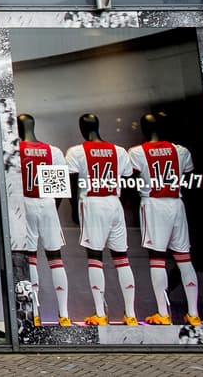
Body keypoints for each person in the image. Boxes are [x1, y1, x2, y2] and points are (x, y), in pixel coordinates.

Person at [129, 112, 202, 326]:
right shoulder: (180, 151)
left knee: (157, 258)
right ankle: (194, 313)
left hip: (154, 202)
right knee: (183, 257)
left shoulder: (138, 152)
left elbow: (130, 181)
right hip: (176, 202)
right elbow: (188, 174)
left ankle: (163, 312)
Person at [64, 113, 137, 327]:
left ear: (82, 128)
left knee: (95, 257)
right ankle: (131, 314)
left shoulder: (77, 152)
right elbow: (128, 180)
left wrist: (73, 210)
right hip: (114, 202)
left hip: (93, 201)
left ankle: (100, 313)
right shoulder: (119, 151)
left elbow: (73, 182)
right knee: (121, 257)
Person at [16, 113, 71, 327]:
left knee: (31, 257)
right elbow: (58, 189)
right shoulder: (52, 151)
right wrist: (52, 209)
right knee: (55, 257)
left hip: (26, 202)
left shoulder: (15, 152)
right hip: (47, 203)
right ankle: (64, 314)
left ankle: (34, 313)